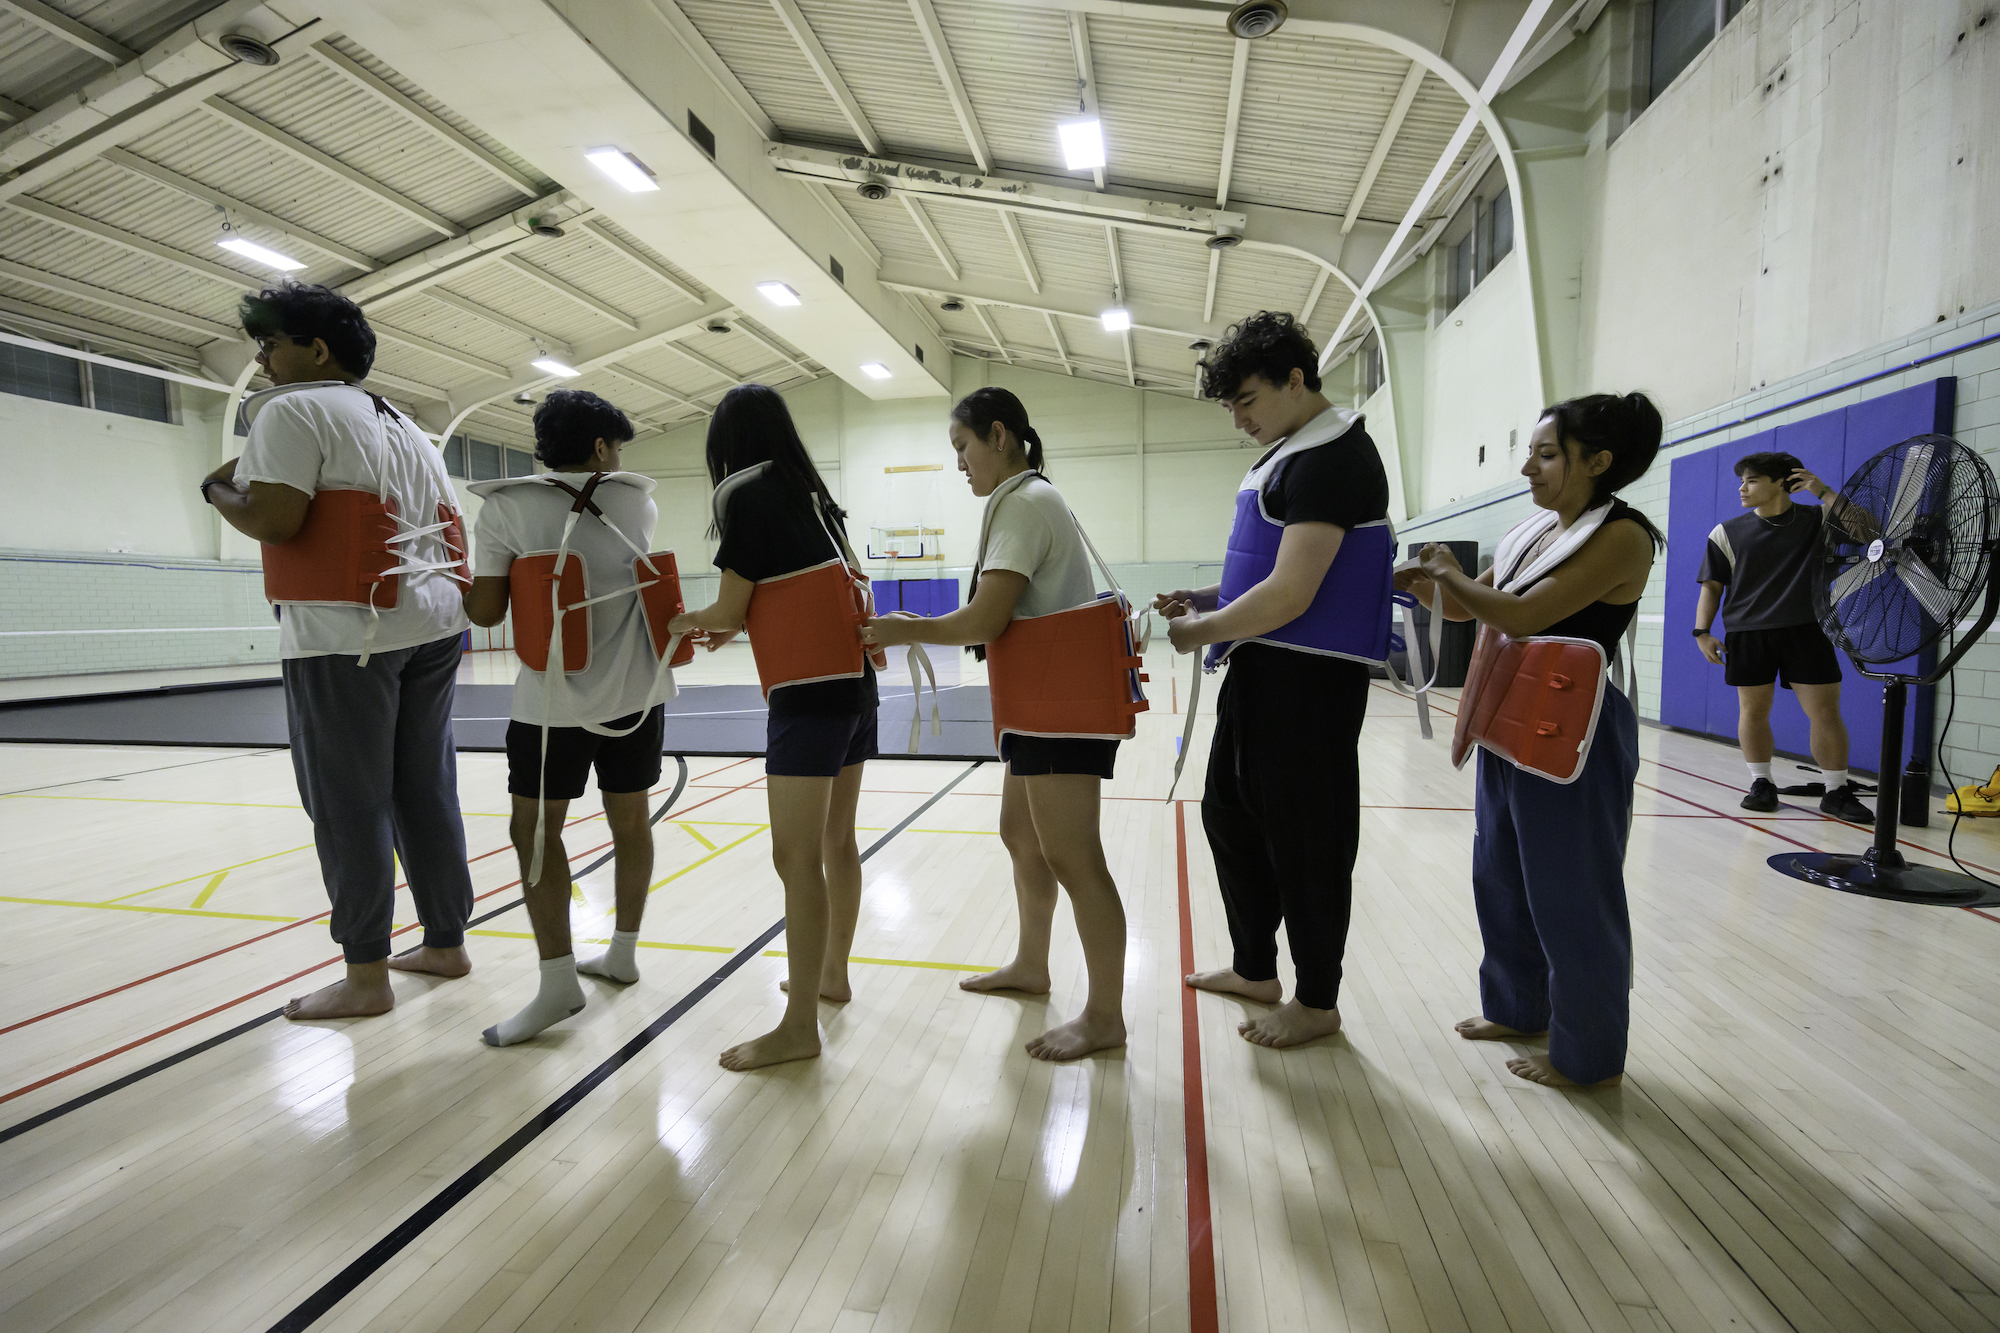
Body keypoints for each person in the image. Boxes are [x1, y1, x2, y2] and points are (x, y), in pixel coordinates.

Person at [201, 283, 474, 1020]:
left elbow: (277, 518)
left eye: (271, 345)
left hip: (345, 634)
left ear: (316, 349)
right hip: (435, 624)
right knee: (425, 785)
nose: (261, 360)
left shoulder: (290, 410)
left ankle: (365, 976)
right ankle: (446, 941)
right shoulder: (405, 423)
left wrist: (215, 491)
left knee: (348, 802)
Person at [1397, 393, 1663, 1088]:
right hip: (1508, 722)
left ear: (1598, 462)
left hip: (1576, 732)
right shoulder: (1532, 532)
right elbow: (1464, 606)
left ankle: (1589, 1055)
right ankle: (1518, 1007)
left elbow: (1519, 615)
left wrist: (1447, 571)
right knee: (1502, 876)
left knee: (1573, 894)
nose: (1528, 468)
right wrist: (1424, 585)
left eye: (1546, 454)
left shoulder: (1624, 536)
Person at [862, 387, 1135, 1062]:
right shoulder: (1021, 500)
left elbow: (985, 621)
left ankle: (1105, 1015)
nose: (960, 463)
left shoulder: (1024, 503)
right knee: (1021, 833)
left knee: (1077, 857)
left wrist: (903, 626)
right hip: (1037, 703)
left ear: (1000, 435)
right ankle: (1032, 963)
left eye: (963, 446)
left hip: (1059, 708)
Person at [1155, 311, 1392, 1049]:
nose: (1240, 419)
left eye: (1248, 400)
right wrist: (1206, 602)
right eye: (1231, 407)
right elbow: (1263, 575)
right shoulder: (1287, 455)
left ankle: (1318, 1000)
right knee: (1230, 816)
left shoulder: (1333, 458)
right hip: (1261, 672)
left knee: (1308, 841)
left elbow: (1292, 594)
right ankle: (1256, 968)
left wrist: (1197, 631)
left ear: (1296, 379)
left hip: (1308, 685)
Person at [668, 384, 874, 1071]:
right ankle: (833, 974)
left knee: (796, 858)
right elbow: (783, 594)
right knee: (837, 842)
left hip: (808, 696)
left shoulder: (742, 492)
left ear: (725, 443)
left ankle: (798, 1027)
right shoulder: (814, 494)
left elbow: (728, 609)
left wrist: (678, 620)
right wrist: (728, 622)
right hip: (855, 687)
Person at [464, 389, 678, 1046]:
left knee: (534, 832)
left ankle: (557, 980)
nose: (619, 458)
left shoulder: (503, 506)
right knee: (631, 821)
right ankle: (622, 951)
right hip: (637, 695)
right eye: (616, 446)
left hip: (550, 705)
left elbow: (486, 612)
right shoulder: (637, 501)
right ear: (598, 448)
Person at [1695, 451, 1873, 823]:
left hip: (1807, 630)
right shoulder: (1725, 532)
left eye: (1752, 480)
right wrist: (1702, 632)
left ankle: (1836, 791)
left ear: (1783, 482)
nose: (1742, 488)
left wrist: (1822, 490)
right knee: (1753, 711)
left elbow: (1870, 534)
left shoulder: (1819, 518)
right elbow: (1712, 586)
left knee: (1824, 711)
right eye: (1741, 481)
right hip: (1747, 632)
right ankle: (1762, 784)